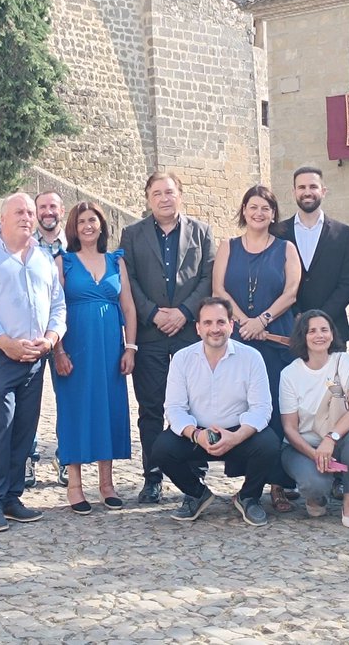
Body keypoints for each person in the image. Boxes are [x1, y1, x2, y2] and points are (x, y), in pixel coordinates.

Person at [0, 193, 67, 533]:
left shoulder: (43, 259)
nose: (27, 217)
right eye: (19, 211)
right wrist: (5, 343)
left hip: (34, 356)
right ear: (2, 219)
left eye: (30, 212)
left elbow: (58, 306)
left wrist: (50, 340)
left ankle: (12, 497)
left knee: (24, 428)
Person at [119, 172, 215, 505]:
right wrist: (153, 313)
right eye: (157, 193)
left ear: (181, 195)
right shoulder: (132, 234)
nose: (164, 198)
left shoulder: (201, 233)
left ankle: (195, 479)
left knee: (196, 406)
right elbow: (127, 279)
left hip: (190, 332)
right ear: (148, 198)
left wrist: (185, 312)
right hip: (150, 333)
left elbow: (209, 276)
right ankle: (153, 476)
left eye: (170, 192)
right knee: (151, 408)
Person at [151, 297, 279, 527]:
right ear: (198, 328)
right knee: (162, 448)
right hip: (197, 434)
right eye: (208, 323)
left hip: (238, 434)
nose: (215, 329)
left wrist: (237, 436)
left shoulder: (251, 357)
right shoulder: (182, 359)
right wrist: (196, 434)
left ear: (231, 325)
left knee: (269, 443)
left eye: (221, 322)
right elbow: (175, 408)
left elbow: (261, 408)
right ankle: (197, 494)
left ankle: (249, 497)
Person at [213, 184, 300, 512]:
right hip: (237, 340)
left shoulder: (286, 248)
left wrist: (261, 320)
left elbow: (291, 292)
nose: (259, 213)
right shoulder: (228, 247)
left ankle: (278, 484)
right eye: (253, 207)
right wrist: (243, 321)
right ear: (244, 211)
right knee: (242, 408)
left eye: (265, 207)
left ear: (273, 213)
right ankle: (250, 483)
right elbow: (219, 288)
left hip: (275, 337)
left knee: (277, 410)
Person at [51, 202, 137, 513]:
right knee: (74, 410)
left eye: (93, 220)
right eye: (82, 221)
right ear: (73, 227)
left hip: (110, 347)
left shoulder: (116, 261)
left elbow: (128, 307)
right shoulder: (65, 262)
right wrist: (58, 350)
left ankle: (106, 484)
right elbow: (54, 308)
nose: (88, 226)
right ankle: (74, 485)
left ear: (102, 225)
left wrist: (131, 347)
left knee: (109, 408)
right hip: (74, 345)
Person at [278, 309, 349, 528]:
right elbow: (290, 429)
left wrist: (331, 439)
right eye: (312, 331)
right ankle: (316, 496)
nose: (319, 335)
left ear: (332, 333)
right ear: (303, 336)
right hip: (303, 446)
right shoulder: (290, 374)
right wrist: (315, 454)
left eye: (324, 329)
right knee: (313, 485)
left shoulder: (343, 361)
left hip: (339, 439)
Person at [270, 167, 349, 345]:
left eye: (313, 186)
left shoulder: (344, 234)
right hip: (290, 326)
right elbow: (275, 279)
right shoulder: (278, 233)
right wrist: (297, 315)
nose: (307, 192)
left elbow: (348, 282)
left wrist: (321, 318)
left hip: (332, 327)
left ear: (323, 191)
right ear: (294, 192)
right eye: (301, 187)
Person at [32, 190, 68, 486]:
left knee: (67, 397)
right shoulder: (25, 244)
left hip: (65, 332)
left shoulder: (76, 246)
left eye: (52, 206)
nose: (48, 212)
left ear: (61, 210)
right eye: (42, 207)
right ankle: (27, 459)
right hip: (30, 332)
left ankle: (66, 456)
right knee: (28, 400)